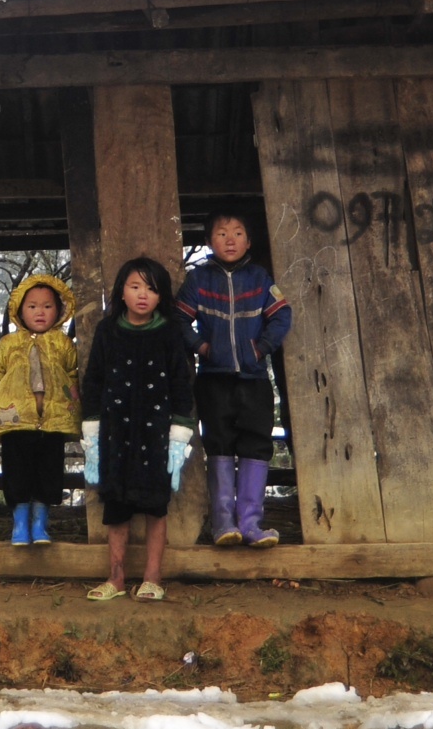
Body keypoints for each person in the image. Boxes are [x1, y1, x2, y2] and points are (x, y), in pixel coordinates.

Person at [81, 256, 195, 601]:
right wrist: (92, 434)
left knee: (155, 506)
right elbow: (94, 381)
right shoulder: (108, 330)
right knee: (116, 506)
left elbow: (181, 383)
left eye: (151, 288)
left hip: (156, 434)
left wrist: (179, 432)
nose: (142, 295)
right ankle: (115, 579)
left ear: (161, 297)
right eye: (135, 286)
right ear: (121, 292)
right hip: (116, 433)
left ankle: (152, 579)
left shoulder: (171, 333)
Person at [177, 212, 291, 547]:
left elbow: (282, 315)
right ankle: (224, 524)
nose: (230, 239)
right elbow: (179, 318)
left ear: (249, 241)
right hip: (213, 379)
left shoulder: (259, 278)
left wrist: (262, 349)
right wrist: (201, 347)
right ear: (210, 241)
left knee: (256, 445)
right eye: (222, 233)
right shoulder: (199, 280)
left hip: (254, 379)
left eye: (238, 233)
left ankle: (252, 524)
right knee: (219, 444)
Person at [0, 273, 81, 545]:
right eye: (32, 306)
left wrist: (74, 401)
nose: (40, 312)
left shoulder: (63, 344)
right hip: (16, 422)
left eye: (48, 306)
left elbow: (72, 375)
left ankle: (40, 525)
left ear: (59, 310)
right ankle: (19, 525)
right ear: (19, 310)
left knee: (49, 473)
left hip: (54, 422)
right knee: (17, 473)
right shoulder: (8, 344)